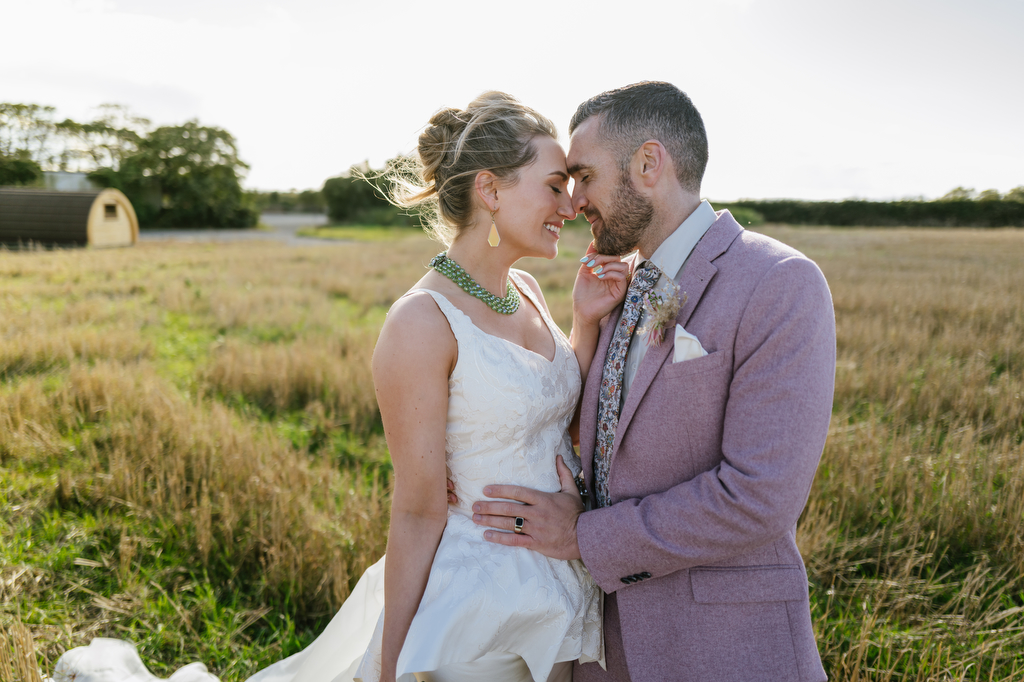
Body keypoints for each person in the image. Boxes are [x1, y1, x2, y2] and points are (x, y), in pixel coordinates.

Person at [51, 92, 629, 682]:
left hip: (558, 589)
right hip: (475, 608)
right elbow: (416, 510)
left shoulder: (527, 290)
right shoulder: (421, 323)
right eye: (555, 185)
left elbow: (559, 415)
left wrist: (585, 323)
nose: (573, 203)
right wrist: (395, 664)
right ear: (492, 190)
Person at [471, 82, 837, 682]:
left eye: (585, 176)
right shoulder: (616, 289)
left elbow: (759, 498)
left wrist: (586, 536)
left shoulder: (780, 283)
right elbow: (587, 439)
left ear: (648, 163)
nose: (574, 201)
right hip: (603, 649)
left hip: (722, 649)